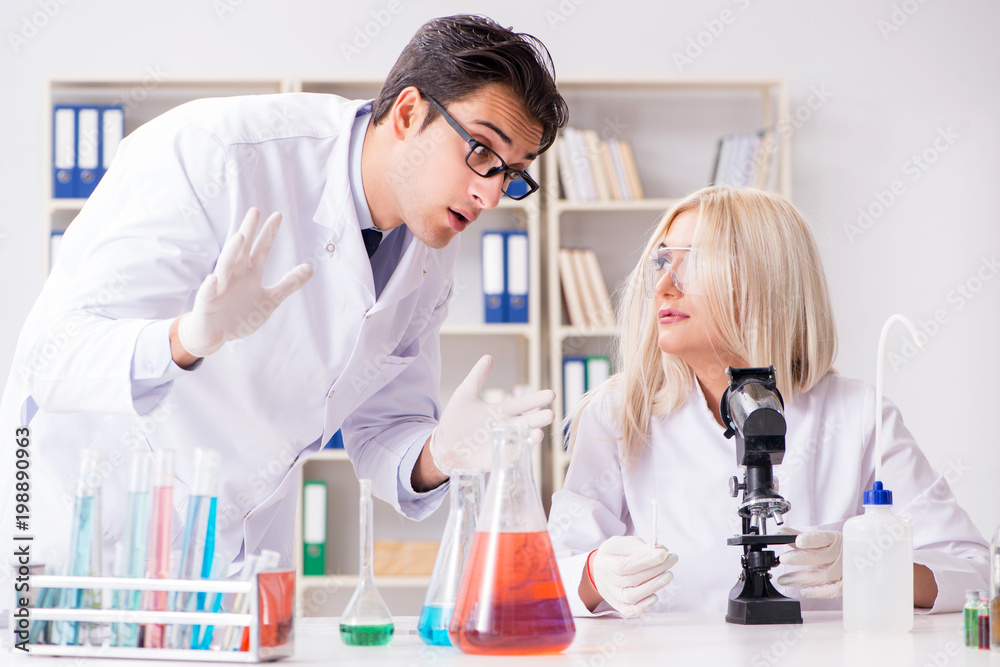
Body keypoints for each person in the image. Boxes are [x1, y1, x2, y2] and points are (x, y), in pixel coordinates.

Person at [0, 14, 568, 587]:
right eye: (481, 152)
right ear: (408, 113)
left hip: (240, 565)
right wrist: (185, 340)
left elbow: (385, 427)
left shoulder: (429, 240)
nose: (490, 192)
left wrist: (442, 453)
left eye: (512, 174)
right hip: (88, 539)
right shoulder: (214, 152)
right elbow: (51, 357)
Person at [548, 186, 989, 618]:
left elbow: (973, 573)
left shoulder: (857, 415)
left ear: (768, 280)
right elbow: (547, 581)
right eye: (663, 262)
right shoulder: (618, 416)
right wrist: (594, 574)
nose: (664, 285)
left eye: (694, 265)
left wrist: (868, 565)